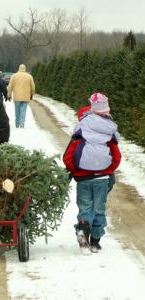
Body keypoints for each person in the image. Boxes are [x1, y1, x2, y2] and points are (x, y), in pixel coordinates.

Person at [63, 92, 121, 253]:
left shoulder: (82, 129)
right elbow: (116, 156)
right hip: (102, 177)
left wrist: (75, 170)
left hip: (83, 178)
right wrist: (109, 169)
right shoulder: (109, 131)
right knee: (99, 209)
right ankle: (95, 242)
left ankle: (83, 234)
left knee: (85, 208)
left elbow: (68, 156)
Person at [7, 64, 35, 128]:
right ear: (25, 68)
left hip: (17, 96)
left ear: (19, 68)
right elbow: (33, 87)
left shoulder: (14, 76)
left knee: (17, 110)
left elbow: (10, 86)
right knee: (23, 110)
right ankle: (22, 124)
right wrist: (32, 94)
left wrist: (9, 95)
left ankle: (17, 124)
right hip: (26, 96)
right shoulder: (29, 76)